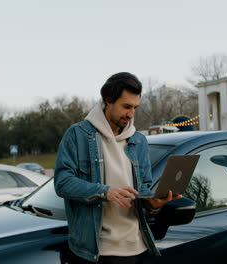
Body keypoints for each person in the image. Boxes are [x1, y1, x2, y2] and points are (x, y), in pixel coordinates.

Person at [54, 72, 181, 263]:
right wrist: (104, 191)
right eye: (126, 106)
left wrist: (153, 205)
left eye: (135, 108)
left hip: (137, 249)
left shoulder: (139, 141)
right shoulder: (77, 135)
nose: (131, 114)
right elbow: (62, 183)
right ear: (108, 101)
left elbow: (144, 191)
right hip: (95, 253)